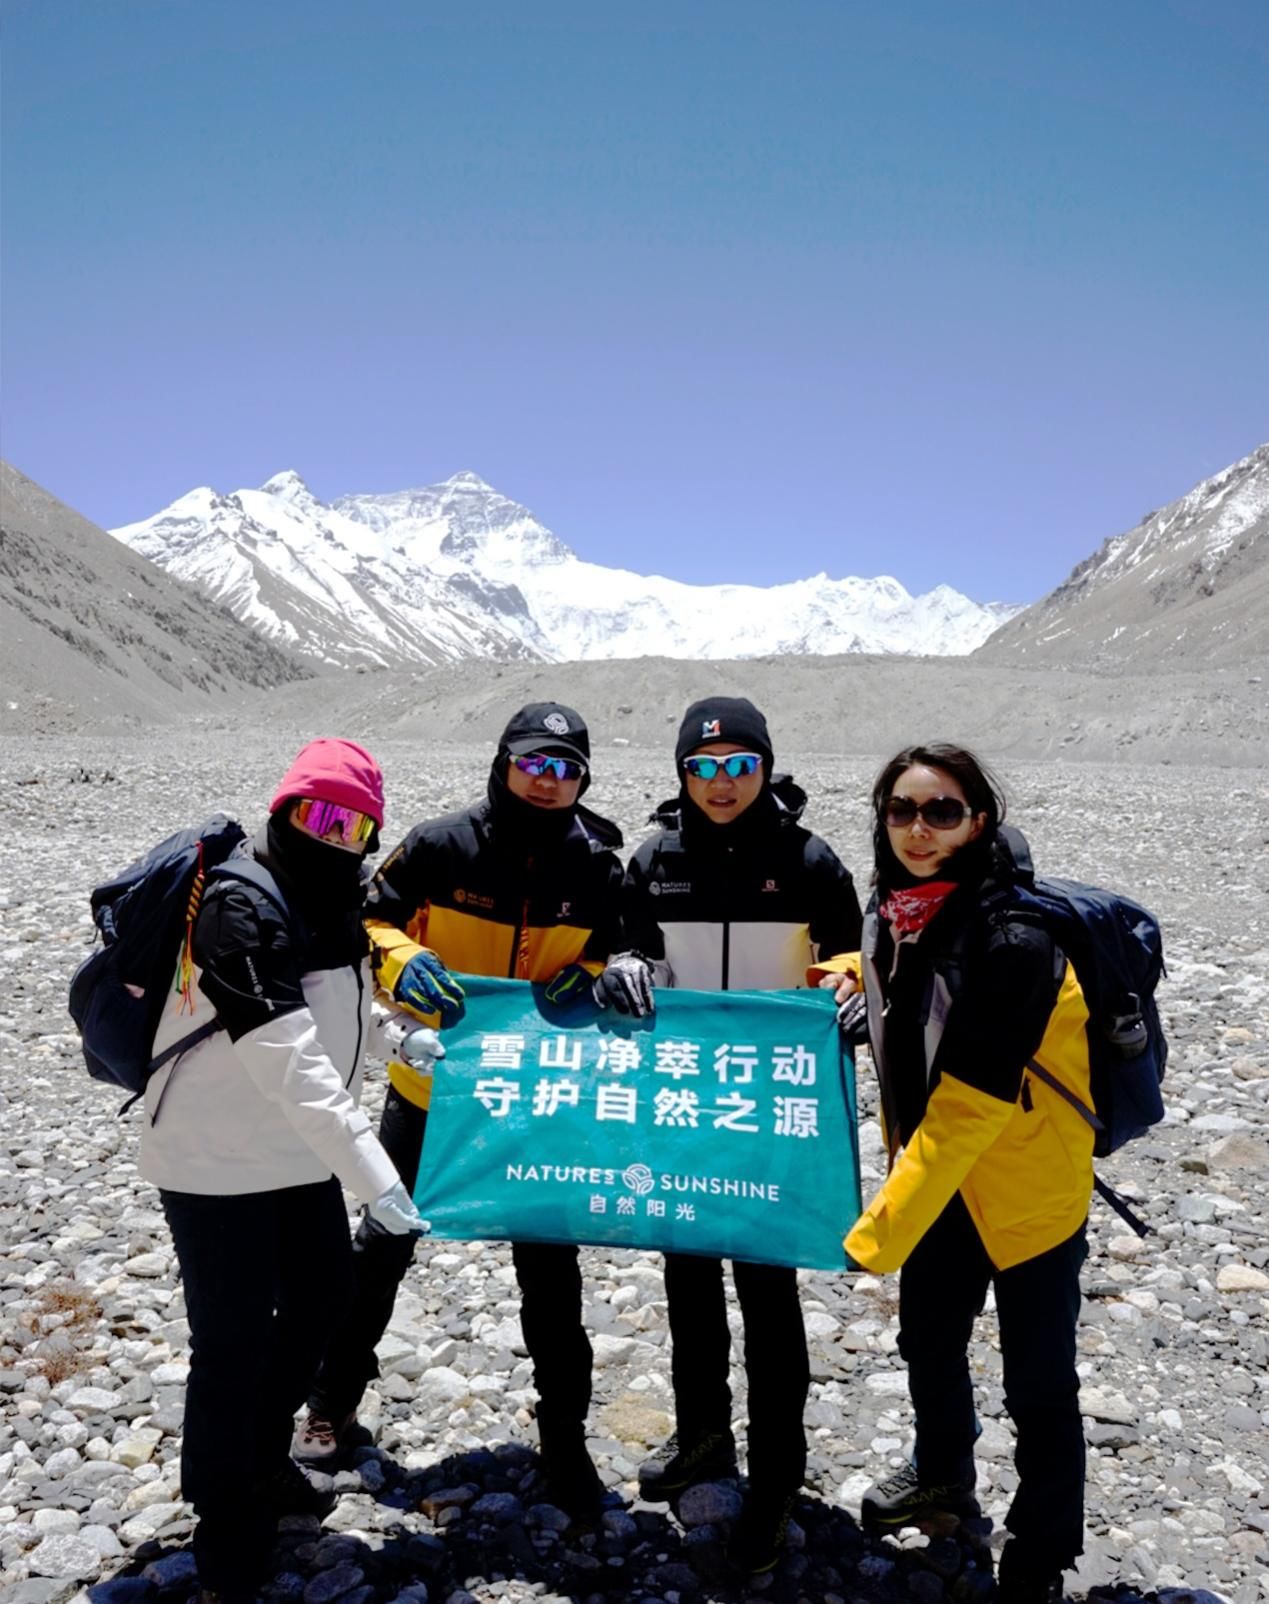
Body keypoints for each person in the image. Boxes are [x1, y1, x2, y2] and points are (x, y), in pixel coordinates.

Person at [295, 702, 637, 1522]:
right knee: (383, 1243)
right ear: (503, 762)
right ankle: (329, 1405)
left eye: (566, 768)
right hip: (430, 1089)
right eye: (534, 763)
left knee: (549, 1268)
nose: (549, 781)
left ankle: (564, 1437)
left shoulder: (597, 865)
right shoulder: (443, 843)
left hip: (536, 1097)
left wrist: (595, 969)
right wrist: (403, 958)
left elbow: (621, 946)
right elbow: (362, 918)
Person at [140, 739, 425, 1604]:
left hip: (295, 1152)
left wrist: (403, 1040)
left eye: (355, 824)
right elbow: (290, 1062)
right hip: (214, 1157)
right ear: (285, 809)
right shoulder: (237, 904)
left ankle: (260, 1459)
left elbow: (348, 999)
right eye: (319, 815)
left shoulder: (333, 896)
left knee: (320, 1300)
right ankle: (223, 1518)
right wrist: (381, 1182)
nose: (335, 836)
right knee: (230, 1342)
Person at [818, 743, 1094, 1604]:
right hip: (936, 1184)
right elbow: (899, 1003)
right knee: (929, 1342)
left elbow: (969, 1107)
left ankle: (1040, 1552)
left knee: (1037, 1378)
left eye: (941, 812)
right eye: (901, 810)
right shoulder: (896, 913)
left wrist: (873, 1234)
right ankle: (942, 1478)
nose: (917, 829)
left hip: (1022, 1193)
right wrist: (839, 979)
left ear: (979, 821)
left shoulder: (1013, 935)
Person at [621, 695, 863, 1574]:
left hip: (771, 1114)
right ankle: (701, 1438)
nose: (721, 783)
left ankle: (774, 1486)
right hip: (686, 1107)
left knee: (768, 1300)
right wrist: (622, 968)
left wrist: (842, 986)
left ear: (764, 767)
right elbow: (630, 949)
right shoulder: (654, 858)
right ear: (681, 771)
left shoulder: (806, 859)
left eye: (738, 766)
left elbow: (850, 951)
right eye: (703, 767)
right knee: (687, 1284)